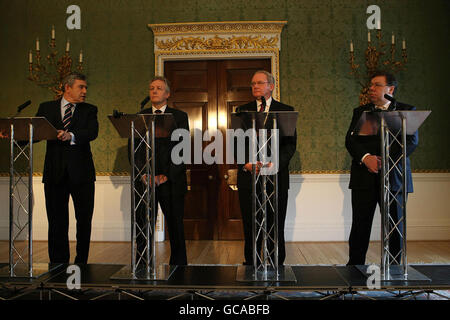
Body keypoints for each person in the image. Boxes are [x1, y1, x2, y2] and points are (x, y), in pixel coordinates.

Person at [345, 71, 419, 265]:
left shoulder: (406, 110)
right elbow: (350, 141)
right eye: (371, 85)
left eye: (376, 85)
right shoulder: (360, 112)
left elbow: (410, 142)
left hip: (394, 176)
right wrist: (366, 158)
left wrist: (386, 161)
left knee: (395, 225)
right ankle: (355, 268)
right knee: (360, 225)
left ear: (390, 89)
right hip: (364, 176)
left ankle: (393, 269)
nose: (371, 88)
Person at [236, 70, 297, 266]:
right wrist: (244, 162)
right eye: (253, 83)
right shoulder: (242, 111)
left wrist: (276, 164)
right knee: (251, 224)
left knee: (275, 223)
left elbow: (290, 144)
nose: (255, 86)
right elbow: (234, 142)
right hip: (249, 176)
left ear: (271, 86)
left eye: (260, 83)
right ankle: (251, 262)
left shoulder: (285, 110)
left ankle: (275, 262)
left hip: (276, 177)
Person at [36, 72, 98, 264]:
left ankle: (81, 264)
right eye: (81, 87)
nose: (85, 91)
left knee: (84, 221)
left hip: (82, 174)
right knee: (56, 222)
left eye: (86, 87)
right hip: (55, 173)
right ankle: (58, 264)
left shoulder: (89, 109)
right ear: (67, 87)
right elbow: (35, 131)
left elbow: (91, 132)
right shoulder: (46, 108)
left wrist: (70, 135)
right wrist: (14, 136)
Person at [131, 76, 189, 266]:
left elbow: (182, 149)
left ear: (167, 93)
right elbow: (134, 149)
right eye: (151, 88)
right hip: (146, 180)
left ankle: (179, 267)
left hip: (171, 180)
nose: (154, 91)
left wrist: (166, 175)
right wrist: (143, 173)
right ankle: (142, 264)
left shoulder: (179, 116)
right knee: (143, 224)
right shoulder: (141, 115)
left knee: (175, 226)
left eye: (159, 88)